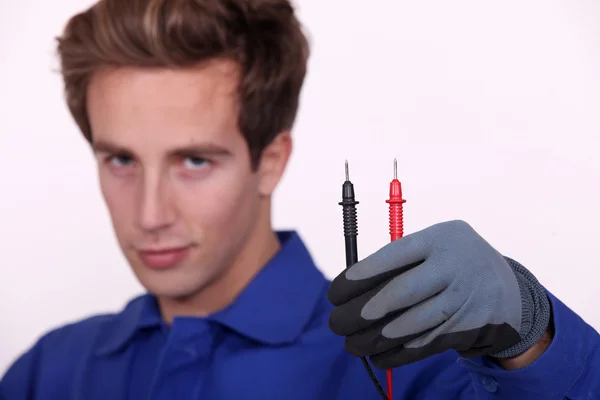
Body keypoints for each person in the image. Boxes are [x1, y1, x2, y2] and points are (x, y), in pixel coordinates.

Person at [1, 0, 598, 399]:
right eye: (121, 160)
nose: (150, 215)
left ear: (271, 161)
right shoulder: (50, 372)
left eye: (195, 161)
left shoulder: (415, 365)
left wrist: (531, 331)